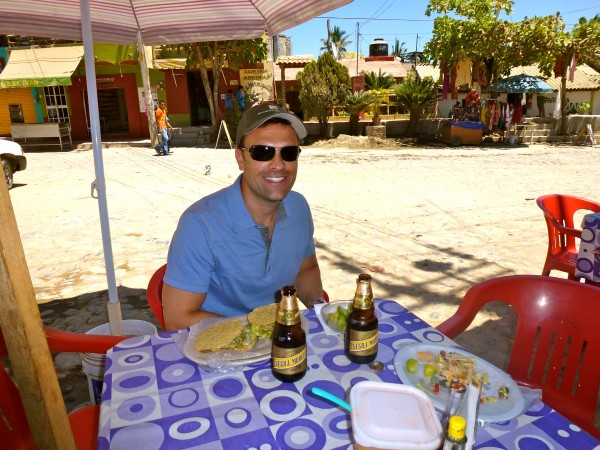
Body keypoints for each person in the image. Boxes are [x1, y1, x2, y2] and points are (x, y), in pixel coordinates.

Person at [162, 103, 324, 330]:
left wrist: (318, 308)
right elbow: (178, 318)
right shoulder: (199, 224)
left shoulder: (298, 207)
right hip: (217, 350)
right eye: (262, 152)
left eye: (288, 153)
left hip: (281, 339)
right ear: (240, 159)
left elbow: (305, 269)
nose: (278, 165)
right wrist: (256, 331)